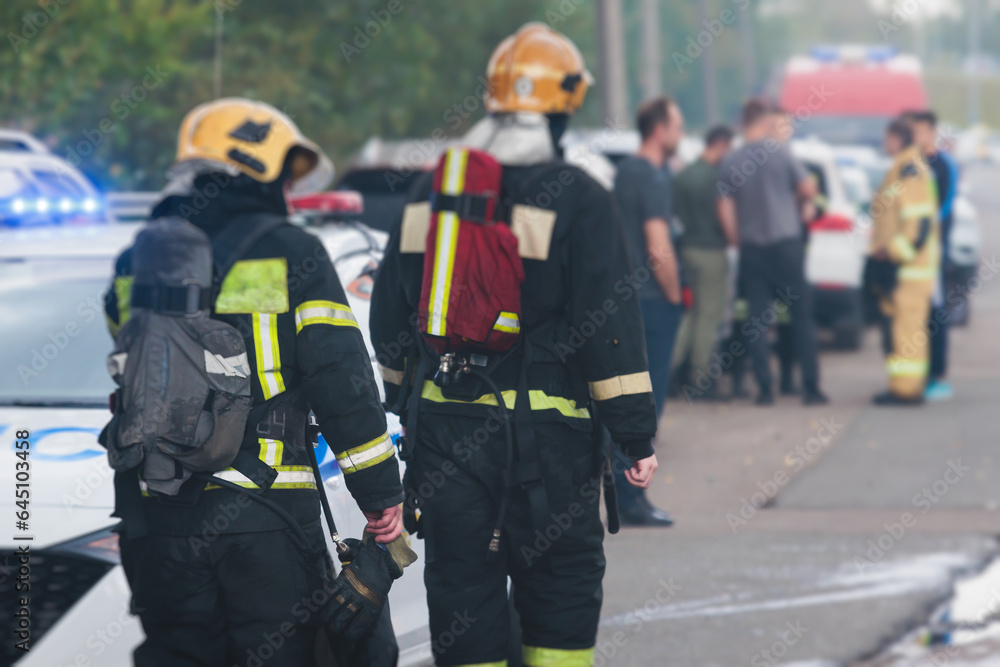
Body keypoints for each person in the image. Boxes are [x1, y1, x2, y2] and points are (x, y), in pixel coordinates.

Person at [371, 23, 659, 666]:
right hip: (550, 449)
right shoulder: (579, 199)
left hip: (446, 439)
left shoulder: (432, 193)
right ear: (561, 109)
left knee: (462, 593)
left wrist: (398, 398)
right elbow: (608, 324)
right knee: (559, 590)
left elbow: (391, 311)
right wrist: (635, 436)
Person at [104, 98, 405, 665]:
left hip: (157, 513)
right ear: (261, 168)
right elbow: (341, 379)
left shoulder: (135, 259)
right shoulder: (291, 251)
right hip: (262, 512)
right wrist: (380, 495)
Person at [718, 99, 828, 406]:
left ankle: (765, 389)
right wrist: (795, 196)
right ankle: (810, 387)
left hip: (753, 249)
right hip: (787, 246)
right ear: (765, 122)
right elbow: (808, 190)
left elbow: (724, 207)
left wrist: (737, 240)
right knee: (801, 316)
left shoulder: (731, 160)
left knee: (757, 321)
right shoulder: (780, 153)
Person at [869, 118, 939, 405]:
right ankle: (900, 386)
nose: (885, 144)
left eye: (887, 138)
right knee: (898, 331)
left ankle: (908, 390)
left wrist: (894, 254)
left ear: (897, 139)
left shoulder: (911, 170)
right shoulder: (901, 167)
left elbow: (918, 225)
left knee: (908, 330)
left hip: (909, 270)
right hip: (899, 269)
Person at [671, 124, 736, 401]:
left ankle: (669, 370)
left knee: (688, 315)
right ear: (721, 144)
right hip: (711, 251)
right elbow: (726, 214)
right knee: (709, 317)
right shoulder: (716, 177)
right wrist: (735, 239)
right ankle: (700, 379)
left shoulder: (682, 176)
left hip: (686, 251)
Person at [906, 110, 959, 402]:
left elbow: (944, 208)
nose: (917, 137)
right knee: (916, 314)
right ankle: (917, 371)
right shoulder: (910, 164)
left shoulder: (944, 165)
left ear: (932, 133)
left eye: (922, 131)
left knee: (936, 313)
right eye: (913, 132)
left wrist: (925, 235)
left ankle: (938, 373)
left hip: (934, 253)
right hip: (913, 256)